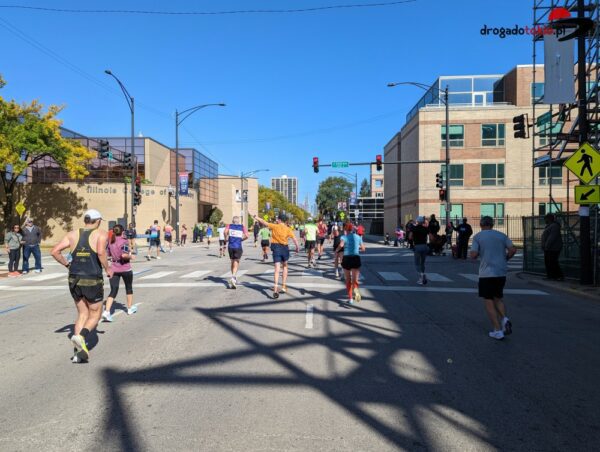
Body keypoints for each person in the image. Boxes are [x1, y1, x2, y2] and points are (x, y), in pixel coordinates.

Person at [51, 209, 112, 363]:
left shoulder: (72, 234)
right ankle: (81, 336)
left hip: (74, 278)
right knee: (95, 314)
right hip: (92, 278)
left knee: (82, 314)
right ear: (98, 221)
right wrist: (108, 269)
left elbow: (55, 251)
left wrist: (67, 265)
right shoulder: (101, 234)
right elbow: (100, 252)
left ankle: (77, 354)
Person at [470, 216, 517, 340]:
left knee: (488, 300)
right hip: (501, 272)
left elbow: (473, 255)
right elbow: (513, 250)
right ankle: (504, 319)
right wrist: (506, 258)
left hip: (487, 273)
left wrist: (478, 253)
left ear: (481, 225)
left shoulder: (478, 237)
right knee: (498, 298)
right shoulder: (502, 235)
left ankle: (497, 330)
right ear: (492, 224)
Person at [253, 214, 299, 299]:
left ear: (280, 220)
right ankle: (283, 286)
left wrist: (256, 217)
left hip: (276, 248)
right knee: (285, 266)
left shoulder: (274, 226)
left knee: (277, 269)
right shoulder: (288, 229)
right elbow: (294, 239)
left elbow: (263, 222)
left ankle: (275, 288)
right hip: (285, 248)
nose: (277, 220)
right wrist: (297, 247)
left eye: (278, 219)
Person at [103, 224, 136, 322]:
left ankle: (107, 311)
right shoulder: (124, 241)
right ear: (122, 232)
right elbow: (124, 255)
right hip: (125, 268)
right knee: (128, 288)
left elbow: (107, 254)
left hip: (114, 268)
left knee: (113, 290)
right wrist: (131, 256)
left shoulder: (111, 241)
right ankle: (129, 308)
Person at [337, 222, 366, 305]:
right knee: (355, 280)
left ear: (345, 229)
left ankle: (350, 299)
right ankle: (356, 293)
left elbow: (341, 245)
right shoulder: (358, 237)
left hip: (347, 259)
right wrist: (357, 248)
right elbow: (363, 249)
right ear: (353, 229)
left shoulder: (344, 237)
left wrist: (336, 250)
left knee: (348, 280)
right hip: (356, 258)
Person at [224, 216, 248, 289]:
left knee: (232, 261)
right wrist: (241, 239)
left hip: (230, 246)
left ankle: (233, 277)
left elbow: (225, 232)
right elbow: (247, 235)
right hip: (238, 246)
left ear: (232, 221)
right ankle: (233, 277)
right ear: (238, 221)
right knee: (236, 262)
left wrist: (226, 238)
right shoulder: (242, 227)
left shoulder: (229, 225)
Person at [541, 213, 564, 280]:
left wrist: (546, 246)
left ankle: (558, 276)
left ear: (549, 219)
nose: (545, 220)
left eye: (545, 219)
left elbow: (551, 238)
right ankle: (551, 276)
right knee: (549, 262)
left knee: (552, 262)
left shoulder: (554, 226)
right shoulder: (550, 226)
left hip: (553, 248)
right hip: (549, 248)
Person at [409, 216, 429, 285]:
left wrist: (414, 237)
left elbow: (410, 237)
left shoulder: (414, 228)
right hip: (424, 246)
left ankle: (422, 275)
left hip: (417, 246)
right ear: (423, 222)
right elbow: (431, 237)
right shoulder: (425, 229)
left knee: (417, 263)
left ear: (417, 221)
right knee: (422, 263)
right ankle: (421, 279)